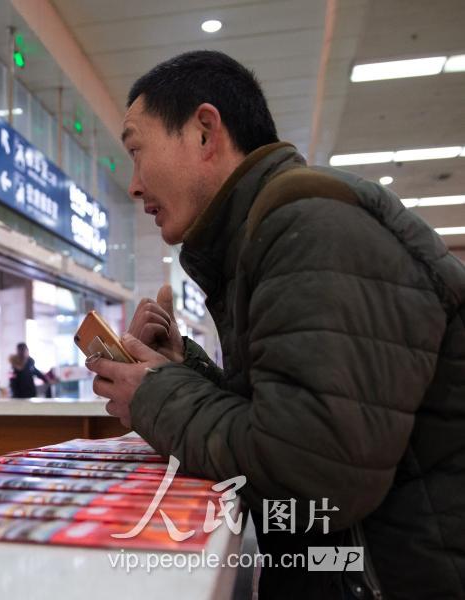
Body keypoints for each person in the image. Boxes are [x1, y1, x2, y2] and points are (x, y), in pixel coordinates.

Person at [85, 50, 465, 599]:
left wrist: (157, 397)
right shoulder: (266, 233)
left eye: (137, 151)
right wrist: (181, 368)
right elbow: (286, 417)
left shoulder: (312, 223)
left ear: (204, 131)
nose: (134, 185)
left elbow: (315, 477)